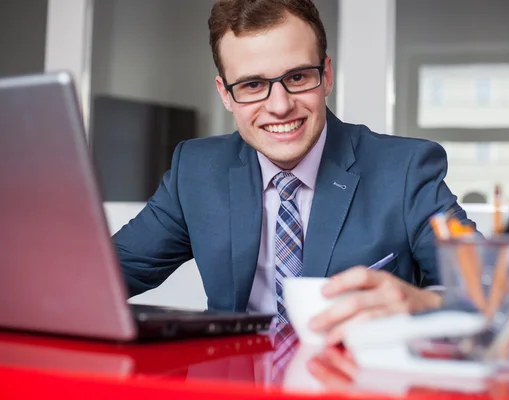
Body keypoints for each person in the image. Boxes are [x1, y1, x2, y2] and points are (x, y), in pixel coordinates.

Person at [113, 0, 475, 345]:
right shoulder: (197, 171)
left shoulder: (406, 169)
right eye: (252, 85)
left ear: (327, 75)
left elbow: (493, 290)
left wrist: (426, 304)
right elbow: (103, 279)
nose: (280, 106)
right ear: (226, 94)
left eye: (298, 77)